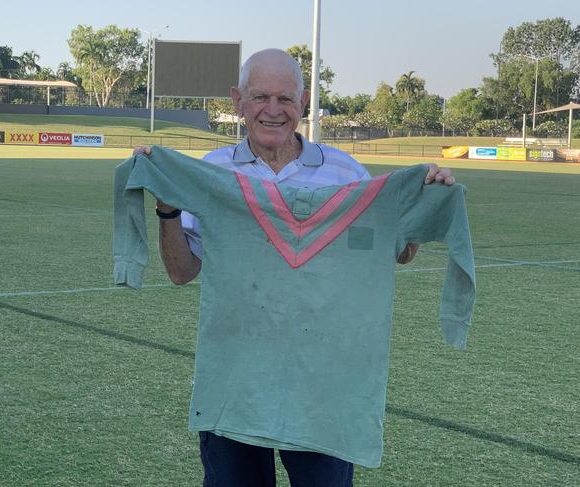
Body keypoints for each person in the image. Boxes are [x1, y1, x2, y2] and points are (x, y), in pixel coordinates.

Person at [134, 48, 455, 487]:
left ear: (303, 103)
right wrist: (168, 208)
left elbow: (398, 252)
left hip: (322, 383)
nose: (272, 110)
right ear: (237, 101)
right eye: (260, 96)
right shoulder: (212, 172)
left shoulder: (346, 174)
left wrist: (423, 205)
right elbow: (181, 272)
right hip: (236, 377)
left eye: (285, 99)